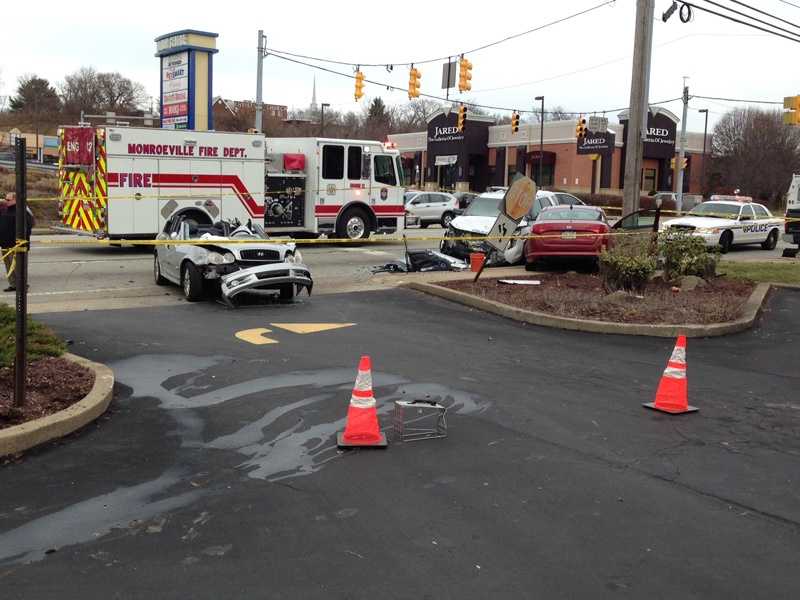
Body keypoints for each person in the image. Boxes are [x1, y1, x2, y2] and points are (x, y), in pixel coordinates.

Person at [0, 192, 34, 292]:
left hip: (17, 245)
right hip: (5, 244)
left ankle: (22, 286)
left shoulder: (22, 212)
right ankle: (13, 284)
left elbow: (28, 228)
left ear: (15, 200)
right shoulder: (4, 210)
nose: (5, 201)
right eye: (5, 199)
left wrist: (20, 242)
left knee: (19, 267)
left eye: (8, 200)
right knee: (9, 266)